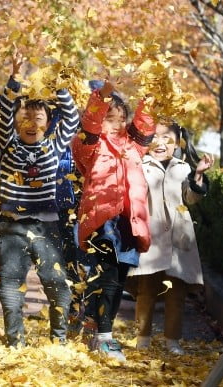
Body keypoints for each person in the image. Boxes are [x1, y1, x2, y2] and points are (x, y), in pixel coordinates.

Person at [0, 53, 79, 347]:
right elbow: (3, 114)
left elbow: (72, 117)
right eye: (26, 116)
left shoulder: (55, 145)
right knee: (10, 285)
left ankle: (59, 340)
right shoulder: (7, 145)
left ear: (47, 121)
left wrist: (57, 86)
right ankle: (14, 342)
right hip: (12, 227)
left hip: (47, 227)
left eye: (38, 117)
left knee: (58, 285)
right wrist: (15, 80)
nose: (31, 121)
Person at [72, 80, 156, 361]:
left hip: (129, 222)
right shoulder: (90, 144)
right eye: (111, 118)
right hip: (101, 221)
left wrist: (151, 98)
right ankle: (105, 338)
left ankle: (95, 330)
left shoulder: (133, 146)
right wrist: (102, 97)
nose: (117, 124)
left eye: (122, 119)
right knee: (107, 277)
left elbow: (144, 126)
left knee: (118, 281)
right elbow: (90, 124)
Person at [129, 121, 213, 355]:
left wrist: (197, 175)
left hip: (179, 237)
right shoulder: (140, 165)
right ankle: (142, 338)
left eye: (167, 139)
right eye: (155, 137)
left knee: (177, 291)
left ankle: (171, 340)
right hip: (151, 236)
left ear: (177, 143)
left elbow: (191, 198)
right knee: (146, 290)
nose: (160, 143)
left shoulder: (183, 168)